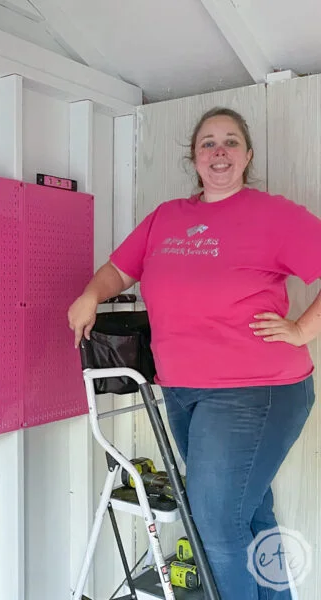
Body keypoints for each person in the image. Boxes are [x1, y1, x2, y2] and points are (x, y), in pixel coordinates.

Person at [67, 106, 321, 599]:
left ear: (247, 155)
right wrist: (90, 295)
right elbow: (120, 271)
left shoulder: (274, 215)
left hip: (256, 392)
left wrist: (302, 329)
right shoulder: (167, 217)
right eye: (208, 142)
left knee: (215, 524)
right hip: (183, 391)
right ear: (194, 157)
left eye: (230, 141)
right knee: (248, 513)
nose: (218, 151)